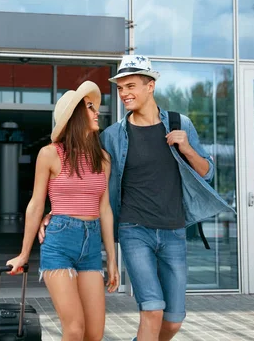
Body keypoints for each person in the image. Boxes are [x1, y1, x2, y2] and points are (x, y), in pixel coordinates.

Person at [39, 55, 235, 341]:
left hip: (174, 230)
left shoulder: (181, 124)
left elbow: (208, 173)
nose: (124, 93)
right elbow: (82, 175)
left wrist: (187, 148)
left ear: (150, 86)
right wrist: (53, 211)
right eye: (120, 88)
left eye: (130, 86)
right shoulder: (113, 136)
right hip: (134, 230)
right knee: (152, 310)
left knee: (173, 321)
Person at [7, 80, 120, 341]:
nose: (96, 113)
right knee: (74, 328)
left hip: (91, 247)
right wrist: (24, 254)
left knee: (94, 333)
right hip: (59, 241)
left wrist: (113, 260)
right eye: (90, 108)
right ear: (75, 115)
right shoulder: (49, 154)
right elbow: (36, 204)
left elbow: (105, 209)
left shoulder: (103, 159)